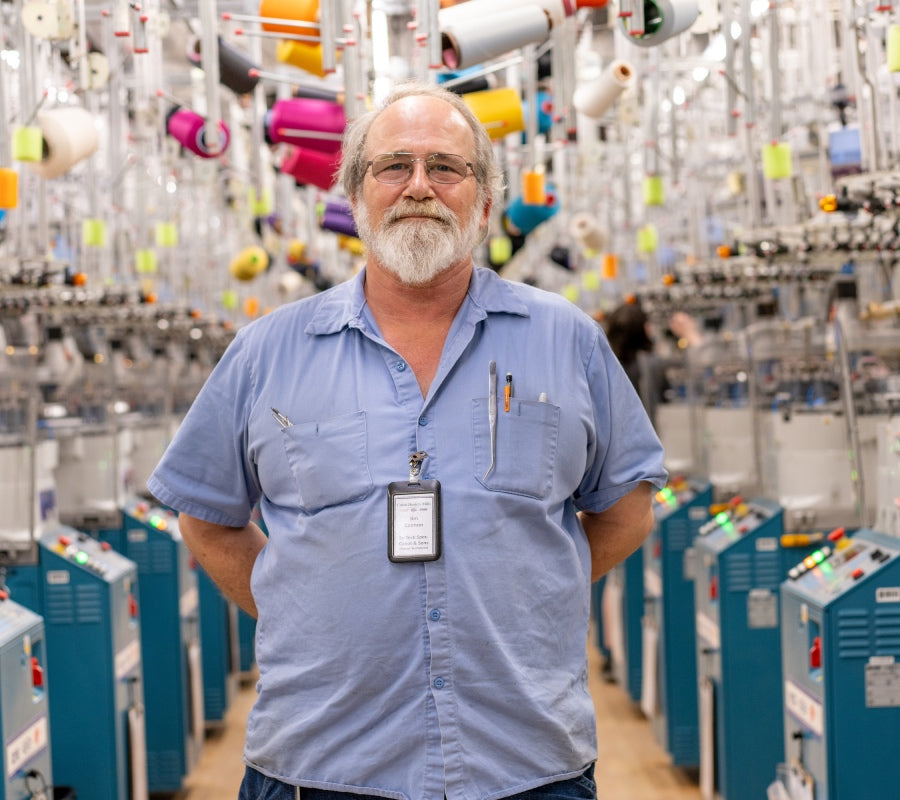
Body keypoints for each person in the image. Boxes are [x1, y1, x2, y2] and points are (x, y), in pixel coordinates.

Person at [147, 81, 667, 800]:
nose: (418, 186)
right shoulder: (268, 351)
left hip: (524, 765)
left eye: (445, 168)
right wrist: (304, 610)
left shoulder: (567, 339)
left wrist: (527, 598)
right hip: (320, 765)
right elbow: (206, 518)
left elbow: (628, 506)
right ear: (356, 197)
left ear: (483, 200)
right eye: (393, 166)